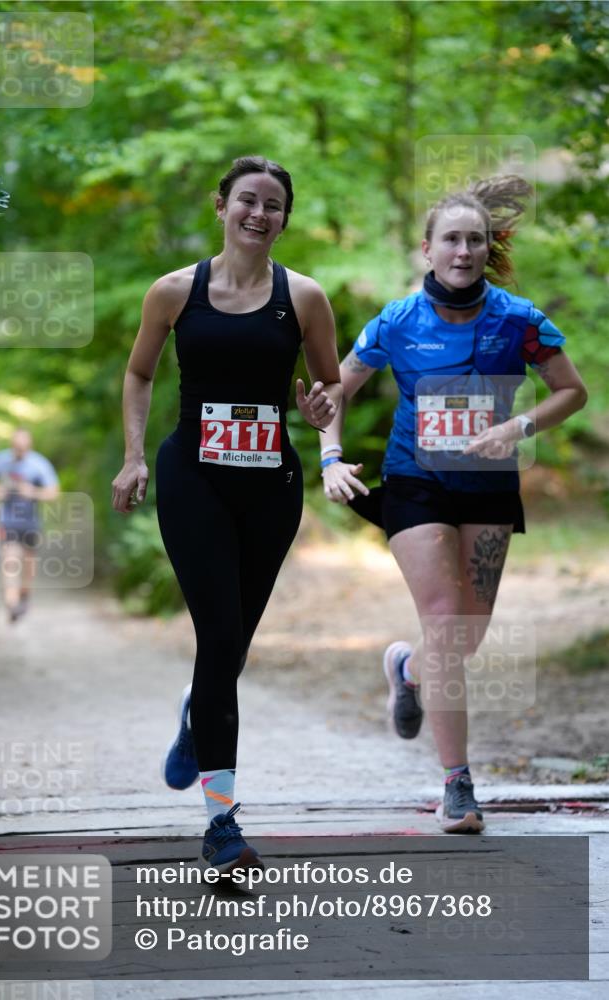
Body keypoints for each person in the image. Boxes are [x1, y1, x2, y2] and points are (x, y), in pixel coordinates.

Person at [321, 175, 588, 833]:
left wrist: (516, 428)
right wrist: (330, 456)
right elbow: (335, 389)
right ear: (427, 249)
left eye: (474, 240)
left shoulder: (519, 321)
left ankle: (407, 669)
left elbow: (571, 392)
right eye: (450, 240)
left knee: (463, 636)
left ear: (486, 248)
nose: (462, 251)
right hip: (415, 481)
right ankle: (457, 784)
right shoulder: (397, 321)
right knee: (444, 620)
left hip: (488, 485)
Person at [112, 156, 341, 871]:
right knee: (217, 638)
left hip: (270, 482)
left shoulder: (304, 297)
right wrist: (133, 457)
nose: (258, 214)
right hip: (193, 478)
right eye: (247, 200)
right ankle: (222, 822)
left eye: (273, 205)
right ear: (221, 206)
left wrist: (323, 419)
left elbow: (331, 386)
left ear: (284, 219)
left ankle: (196, 713)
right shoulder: (174, 291)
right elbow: (139, 372)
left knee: (233, 643)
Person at [0, 429, 60, 622]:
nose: (19, 450)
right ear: (11, 445)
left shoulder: (39, 464)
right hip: (7, 521)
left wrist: (32, 492)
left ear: (29, 445)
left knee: (28, 562)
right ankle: (11, 603)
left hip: (30, 522)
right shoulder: (1, 460)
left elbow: (54, 493)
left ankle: (24, 595)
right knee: (9, 560)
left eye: (23, 447)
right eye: (16, 447)